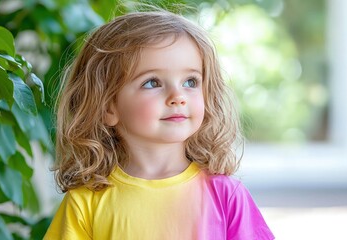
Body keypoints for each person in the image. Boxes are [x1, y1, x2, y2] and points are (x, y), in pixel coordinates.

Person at [44, 9, 274, 240]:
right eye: (152, 82)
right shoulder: (85, 201)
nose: (178, 96)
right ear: (107, 107)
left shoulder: (226, 195)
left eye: (190, 81)